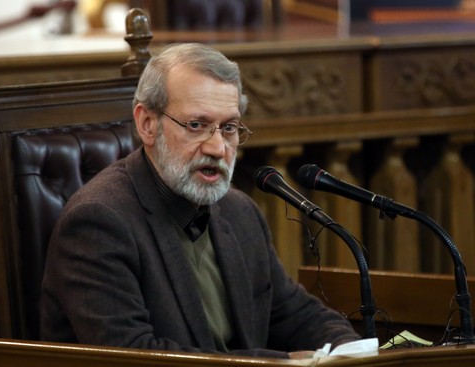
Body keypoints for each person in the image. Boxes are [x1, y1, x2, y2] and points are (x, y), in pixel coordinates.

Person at [40, 43, 360, 359]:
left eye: (229, 128)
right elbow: (132, 355)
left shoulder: (240, 211)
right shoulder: (98, 222)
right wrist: (283, 363)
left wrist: (354, 352)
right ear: (147, 124)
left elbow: (293, 314)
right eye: (197, 125)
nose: (218, 148)